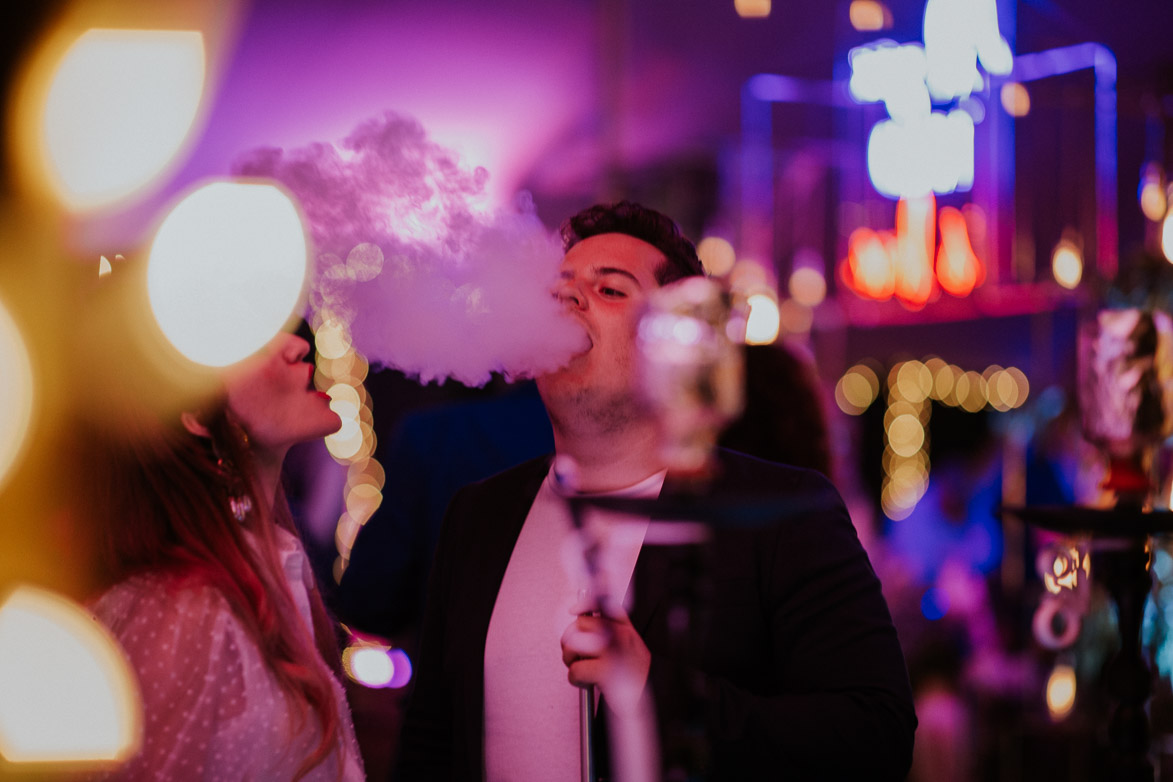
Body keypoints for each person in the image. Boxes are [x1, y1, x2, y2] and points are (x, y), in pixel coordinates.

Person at [397, 201, 916, 780]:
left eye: (611, 290)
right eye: (559, 291)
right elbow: (431, 743)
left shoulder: (783, 513)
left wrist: (654, 687)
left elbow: (876, 736)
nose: (568, 302)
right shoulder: (479, 516)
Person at [78, 332, 365, 781]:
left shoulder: (273, 576)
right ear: (195, 415)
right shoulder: (186, 609)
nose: (296, 347)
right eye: (251, 341)